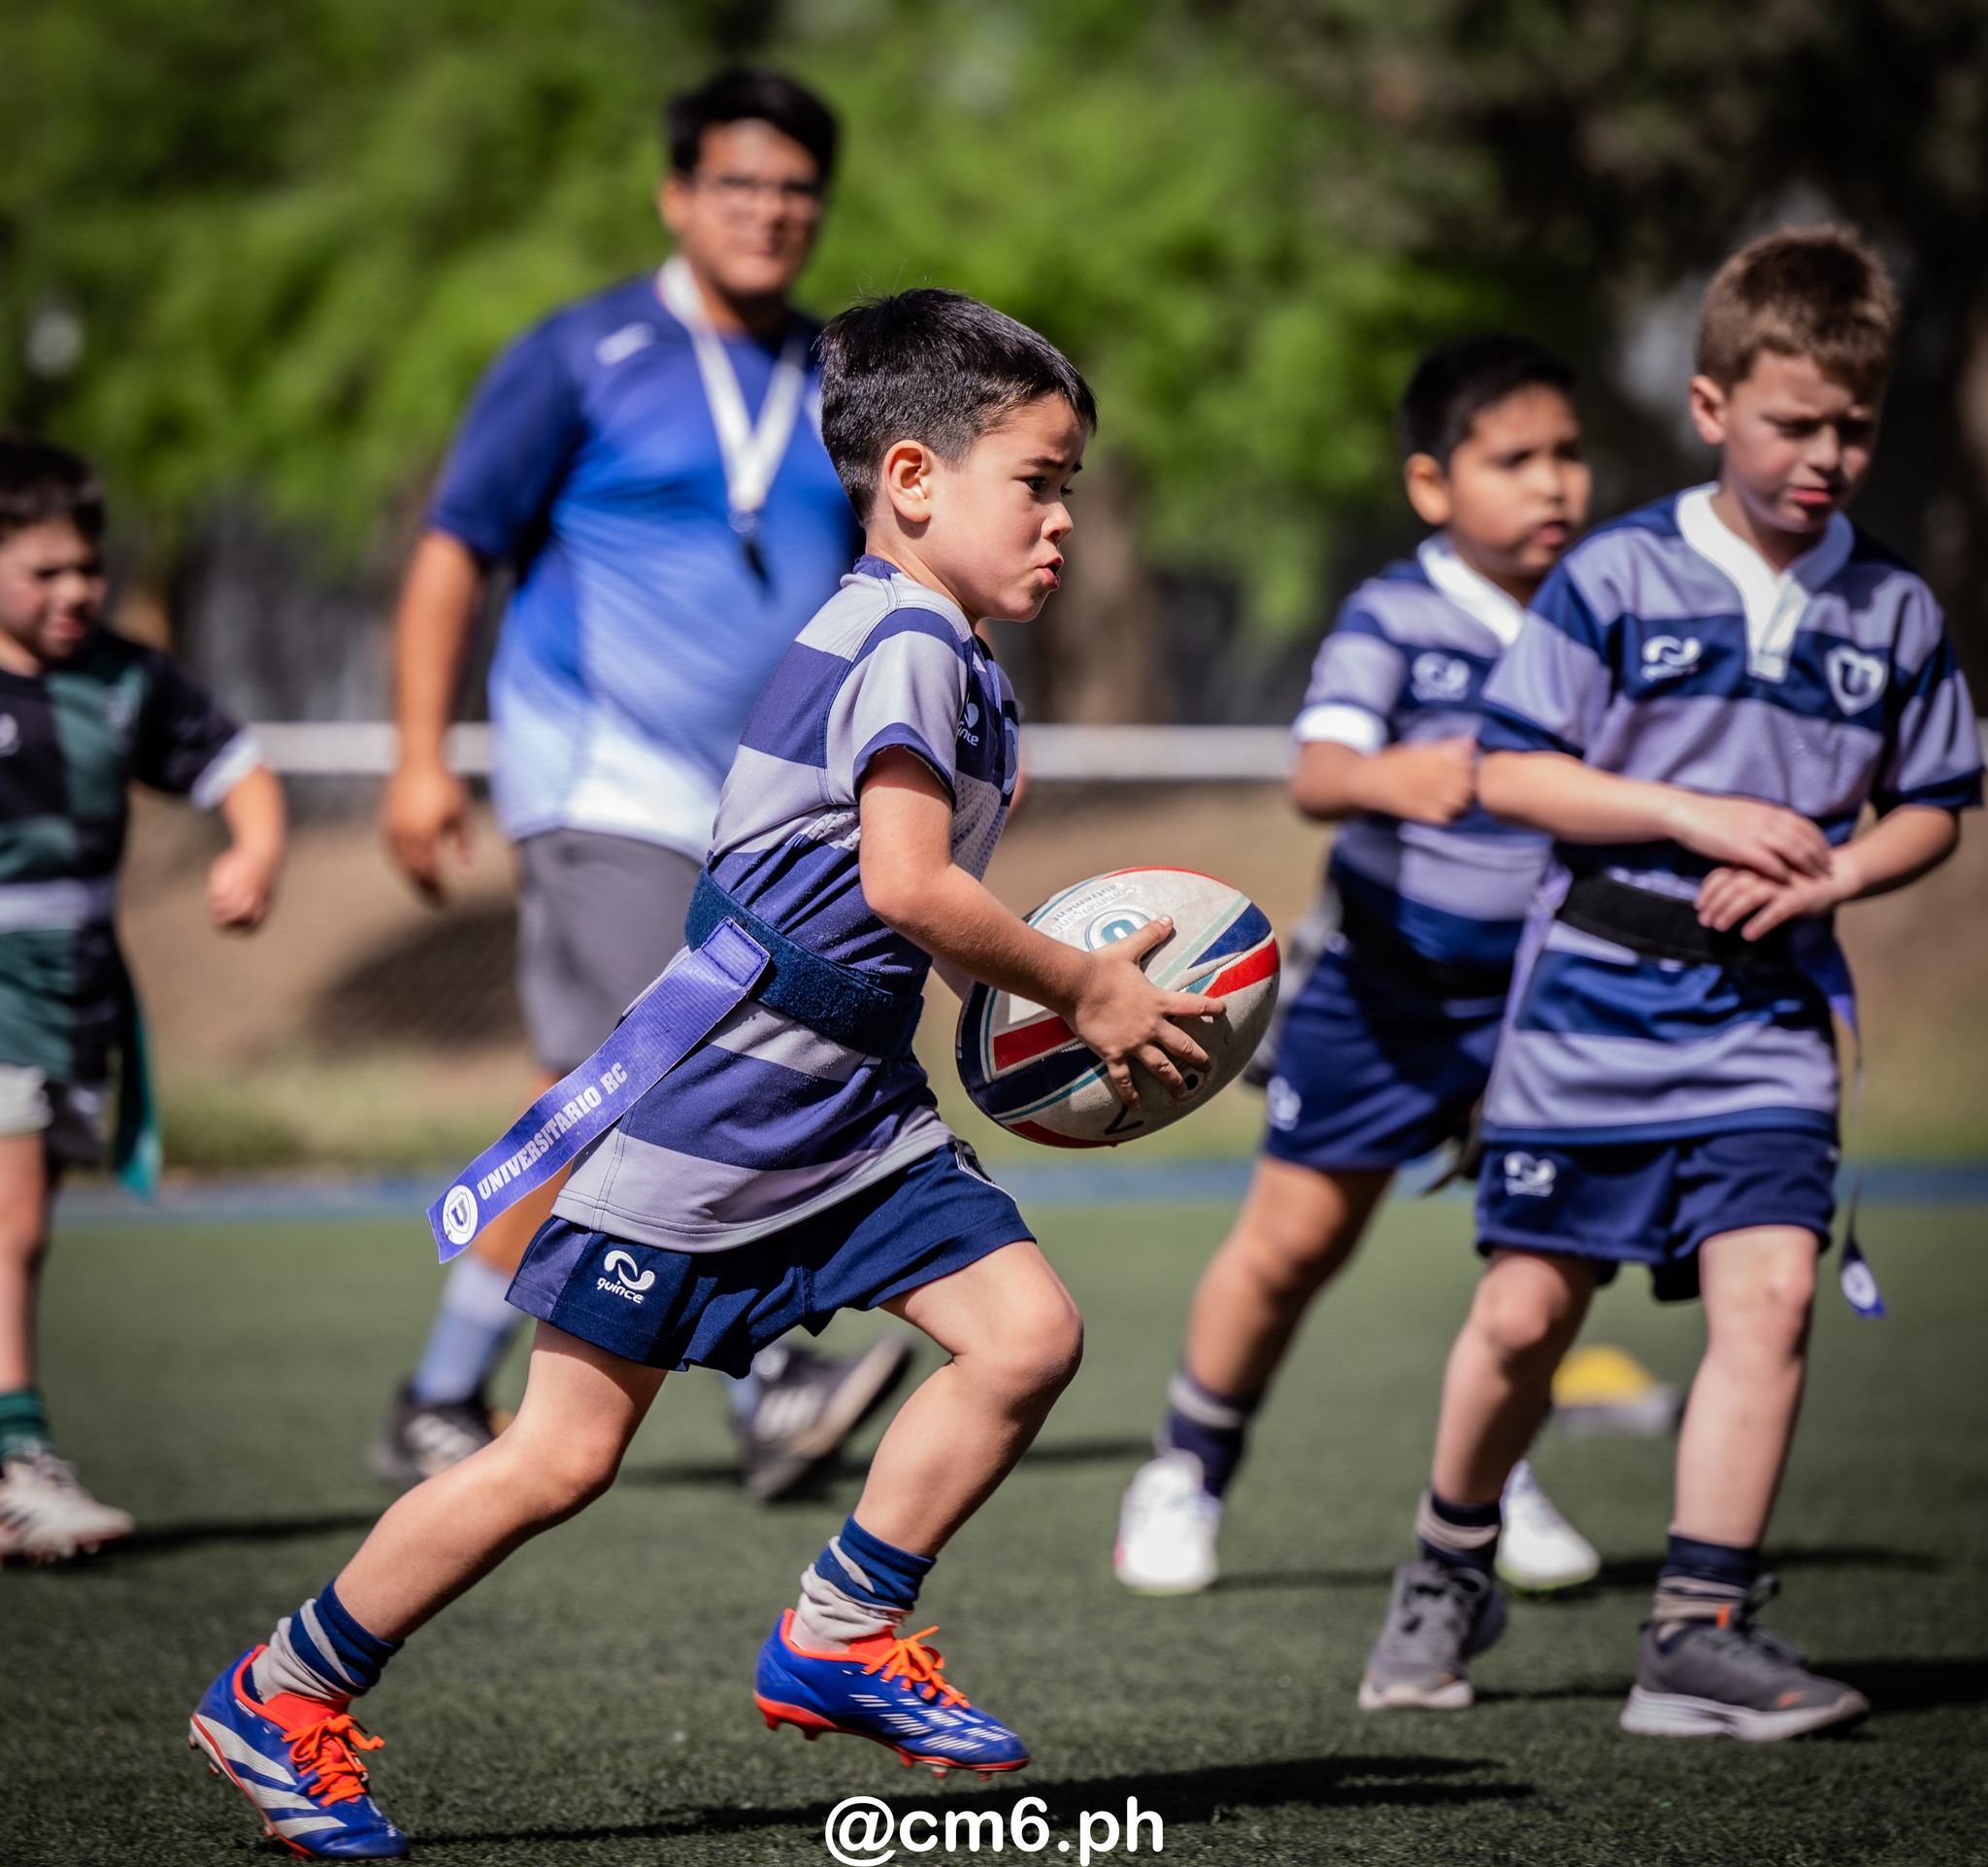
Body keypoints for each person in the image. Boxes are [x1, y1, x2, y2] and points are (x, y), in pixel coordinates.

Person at [189, 288, 1226, 1858]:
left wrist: (1045, 1019)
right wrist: (1076, 982)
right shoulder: (901, 642)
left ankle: (840, 1629)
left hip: (853, 1114)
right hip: (721, 1111)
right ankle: (281, 1690)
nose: (1063, 518)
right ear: (911, 480)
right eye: (1038, 480)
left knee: (1024, 1336)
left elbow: (906, 909)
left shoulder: (947, 649)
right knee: (559, 1453)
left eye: (1069, 483)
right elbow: (903, 885)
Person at [1359, 227, 1980, 1737]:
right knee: (1525, 1316)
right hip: (1590, 1008)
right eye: (1794, 422)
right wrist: (1692, 813)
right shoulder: (1615, 573)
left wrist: (1837, 875)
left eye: (1855, 426)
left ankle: (1698, 1633)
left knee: (1772, 1293)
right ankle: (1449, 1559)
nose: (1826, 456)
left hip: (1771, 1016)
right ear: (1712, 408)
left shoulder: (1894, 607)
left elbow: (1936, 801)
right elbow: (1513, 772)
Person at [372, 68, 909, 1501]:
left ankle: (440, 1387)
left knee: (608, 1084)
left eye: (795, 190)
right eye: (739, 185)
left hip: (762, 808)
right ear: (678, 197)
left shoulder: (835, 377)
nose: (769, 213)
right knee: (682, 1051)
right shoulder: (577, 353)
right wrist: (420, 756)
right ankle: (770, 1377)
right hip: (597, 773)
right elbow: (453, 550)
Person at [1115, 336, 1601, 1597]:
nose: (1552, 482)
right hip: (1381, 993)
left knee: (1540, 1258)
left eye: (1567, 454)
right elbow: (1318, 770)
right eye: (1514, 459)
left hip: (1550, 1002)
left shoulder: (1606, 611)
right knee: (1292, 1247)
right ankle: (1185, 1469)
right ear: (1431, 484)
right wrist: (1395, 775)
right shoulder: (1396, 616)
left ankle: (1493, 1477)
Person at [0, 436, 283, 1561]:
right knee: (13, 1223)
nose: (76, 591)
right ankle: (15, 1464)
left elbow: (236, 767)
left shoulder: (122, 680)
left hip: (72, 991)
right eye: (45, 571)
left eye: (89, 567)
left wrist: (253, 851)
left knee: (26, 1223)